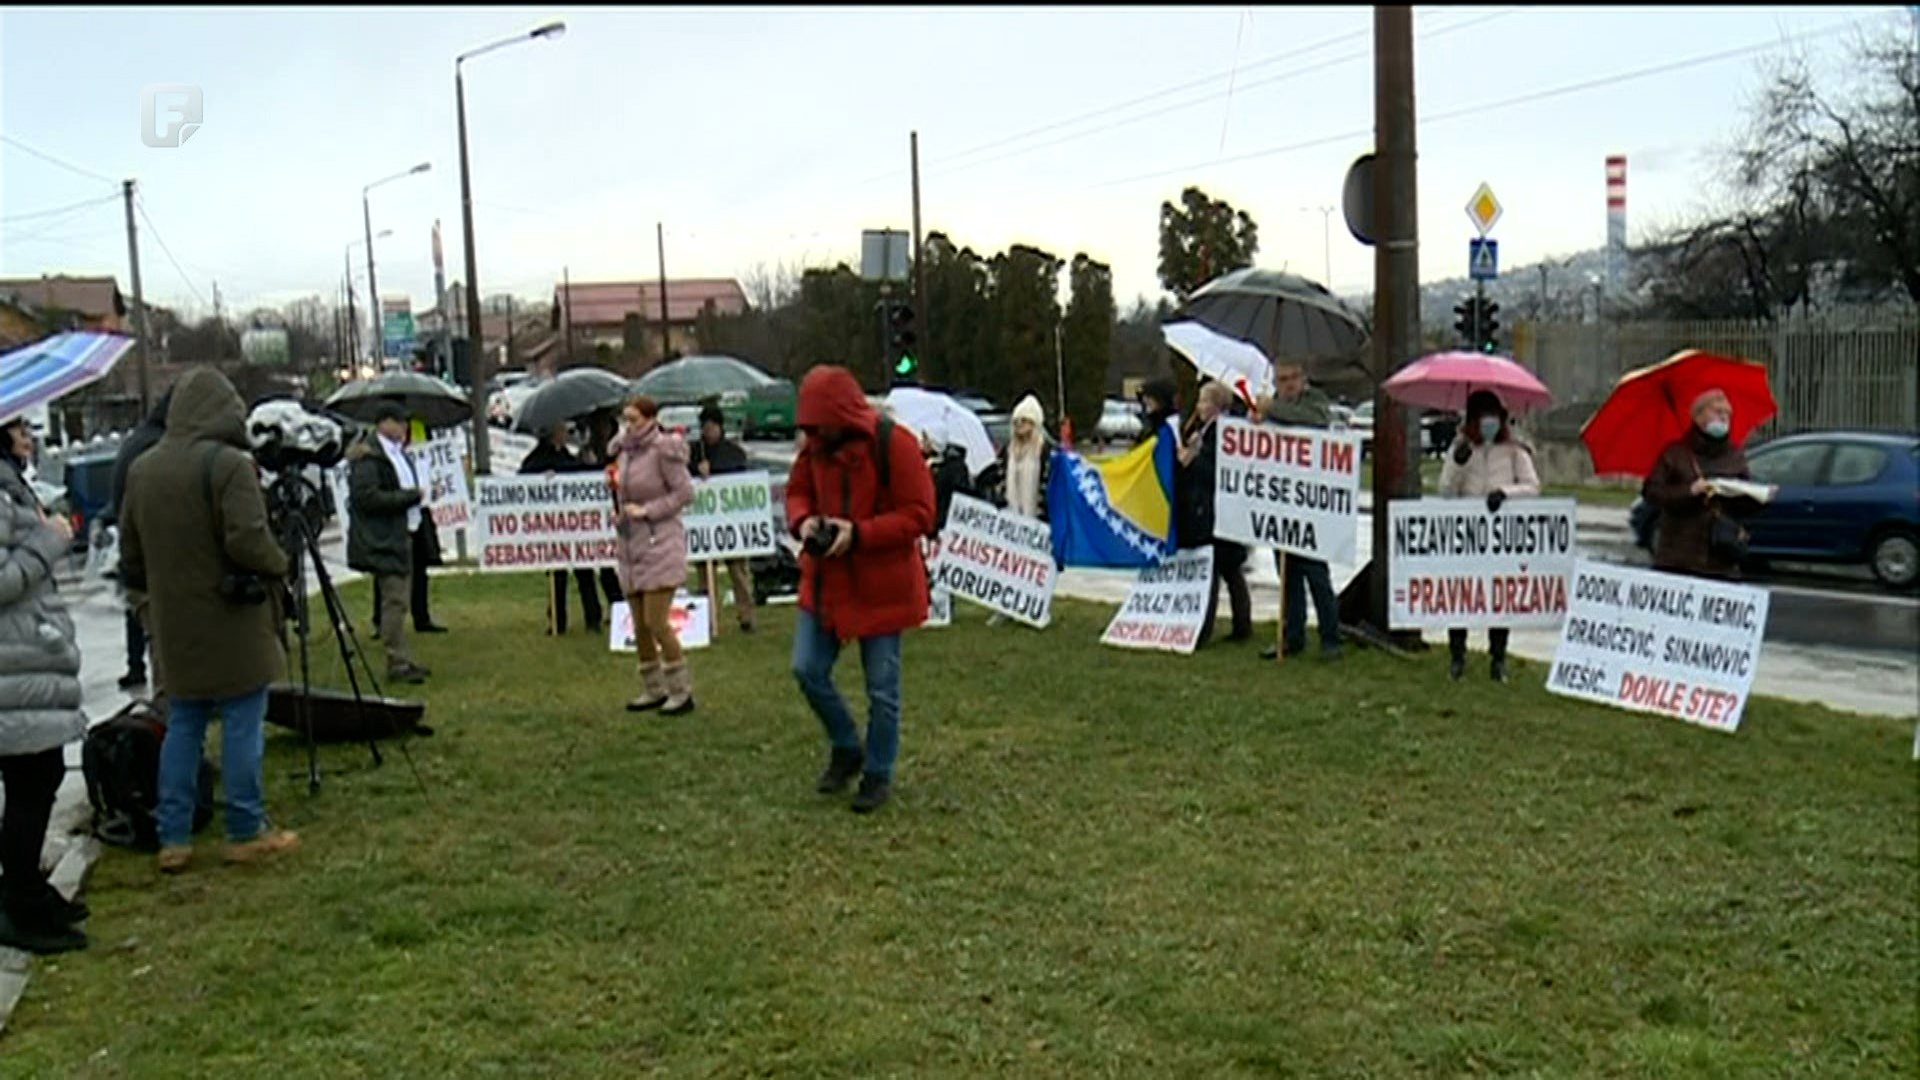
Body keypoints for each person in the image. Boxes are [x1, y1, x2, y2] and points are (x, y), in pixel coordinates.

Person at [120, 367, 301, 875]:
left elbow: (130, 554)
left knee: (184, 726)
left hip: (174, 623)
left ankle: (173, 835)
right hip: (232, 619)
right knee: (243, 722)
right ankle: (245, 828)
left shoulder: (143, 469)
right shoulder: (228, 466)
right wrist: (280, 563)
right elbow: (247, 540)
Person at [787, 365, 936, 814]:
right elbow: (797, 493)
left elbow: (921, 513)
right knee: (807, 669)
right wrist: (804, 521)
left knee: (882, 689)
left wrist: (860, 534)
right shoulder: (814, 448)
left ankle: (878, 772)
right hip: (826, 581)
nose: (816, 433)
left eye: (822, 424)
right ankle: (847, 745)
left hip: (882, 584)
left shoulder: (895, 445)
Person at [0, 419, 87, 954]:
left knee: (38, 775)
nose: (28, 436)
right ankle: (20, 902)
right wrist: (48, 540)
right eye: (17, 428)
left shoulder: (11, 483)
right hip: (12, 665)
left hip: (25, 657)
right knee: (31, 780)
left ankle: (25, 887)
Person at [1438, 390, 1541, 683]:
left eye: (1494, 418)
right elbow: (1445, 491)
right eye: (1483, 418)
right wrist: (1458, 464)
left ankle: (1498, 659)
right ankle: (1457, 656)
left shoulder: (1514, 450)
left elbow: (1533, 487)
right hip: (1467, 537)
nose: (1489, 424)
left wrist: (1505, 494)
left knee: (1499, 598)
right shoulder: (1461, 448)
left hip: (1500, 537)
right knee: (1461, 596)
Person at [611, 395, 697, 715]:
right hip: (632, 546)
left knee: (657, 621)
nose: (628, 426)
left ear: (650, 419)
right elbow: (625, 493)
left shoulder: (664, 451)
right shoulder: (624, 452)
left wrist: (648, 510)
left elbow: (685, 493)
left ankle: (681, 690)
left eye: (634, 419)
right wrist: (622, 514)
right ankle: (653, 688)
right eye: (625, 419)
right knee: (640, 625)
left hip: (661, 543)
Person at [1256, 359, 1343, 662]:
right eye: (1281, 379)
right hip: (1280, 503)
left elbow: (1314, 420)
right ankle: (1292, 636)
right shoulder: (1270, 406)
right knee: (1287, 575)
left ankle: (1330, 638)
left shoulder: (1314, 402)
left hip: (1309, 505)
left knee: (1316, 574)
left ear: (1303, 378)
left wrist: (1271, 409)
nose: (1288, 384)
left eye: (1293, 377)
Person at [346, 402, 431, 685]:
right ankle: (397, 661)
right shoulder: (370, 457)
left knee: (400, 600)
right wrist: (410, 497)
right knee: (395, 601)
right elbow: (367, 498)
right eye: (399, 422)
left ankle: (402, 657)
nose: (405, 427)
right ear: (384, 423)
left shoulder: (396, 453)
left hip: (402, 534)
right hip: (383, 538)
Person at [1642, 388, 1762, 581]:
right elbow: (1652, 492)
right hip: (1678, 559)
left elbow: (1744, 504)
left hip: (1721, 560)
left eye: (1727, 413)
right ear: (1698, 416)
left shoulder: (1735, 455)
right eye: (1717, 411)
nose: (1723, 417)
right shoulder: (1675, 454)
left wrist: (1756, 497)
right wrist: (1689, 491)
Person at [101, 389, 172, 694]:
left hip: (130, 538)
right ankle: (165, 694)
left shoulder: (137, 439)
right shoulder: (157, 445)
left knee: (136, 607)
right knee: (159, 627)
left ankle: (135, 666)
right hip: (148, 540)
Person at [1177, 382, 1253, 647]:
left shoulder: (1221, 432)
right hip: (1217, 509)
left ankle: (1205, 628)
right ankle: (1242, 625)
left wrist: (1193, 458)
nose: (1199, 406)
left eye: (1204, 401)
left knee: (1215, 570)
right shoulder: (1206, 431)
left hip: (1215, 509)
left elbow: (1215, 470)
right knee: (1231, 570)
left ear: (1217, 405)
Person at [521, 420, 609, 635]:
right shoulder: (538, 458)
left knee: (585, 572)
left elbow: (581, 477)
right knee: (557, 576)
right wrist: (542, 478)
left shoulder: (568, 456)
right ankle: (557, 621)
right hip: (553, 527)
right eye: (561, 430)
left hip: (575, 526)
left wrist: (591, 465)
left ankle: (593, 618)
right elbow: (523, 480)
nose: (565, 434)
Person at [688, 402, 756, 633]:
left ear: (720, 427)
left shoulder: (733, 452)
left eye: (711, 427)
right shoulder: (694, 452)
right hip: (703, 525)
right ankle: (706, 618)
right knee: (704, 575)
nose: (708, 432)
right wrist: (697, 470)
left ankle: (746, 615)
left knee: (738, 571)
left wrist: (715, 469)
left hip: (730, 524)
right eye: (704, 428)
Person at [1136, 379, 1178, 445]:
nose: (1144, 400)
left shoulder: (1170, 422)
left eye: (1148, 396)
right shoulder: (1151, 420)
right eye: (1143, 396)